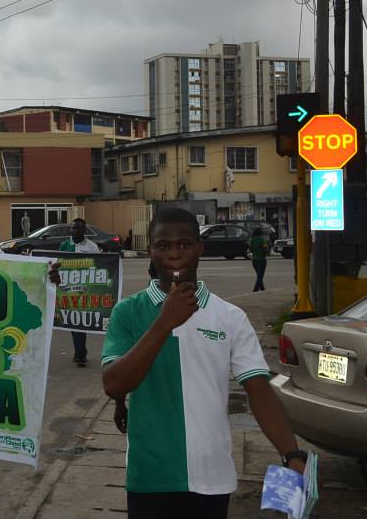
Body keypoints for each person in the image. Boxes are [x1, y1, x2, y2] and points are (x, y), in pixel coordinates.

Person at [101, 208, 306, 519]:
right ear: (150, 251)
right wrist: (164, 322)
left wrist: (291, 453)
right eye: (163, 245)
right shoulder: (128, 312)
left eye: (184, 244)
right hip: (150, 477)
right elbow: (114, 384)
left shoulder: (229, 316)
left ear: (200, 248)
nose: (174, 254)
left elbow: (259, 391)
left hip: (213, 476)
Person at [58, 218, 101, 367]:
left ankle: (80, 353)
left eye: (78, 228)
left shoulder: (92, 247)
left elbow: (99, 265)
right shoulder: (64, 245)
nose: (75, 231)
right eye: (73, 228)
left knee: (80, 321)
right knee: (73, 321)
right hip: (68, 290)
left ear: (84, 230)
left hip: (85, 290)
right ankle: (80, 351)